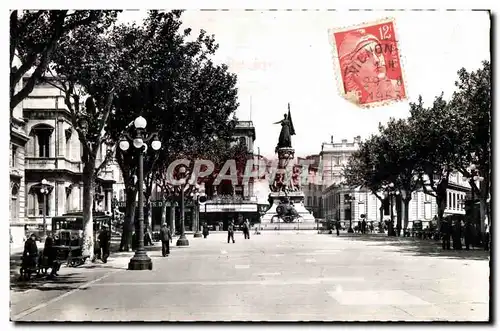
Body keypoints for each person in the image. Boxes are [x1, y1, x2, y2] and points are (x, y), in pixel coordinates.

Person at [338, 29, 404, 105]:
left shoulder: (400, 88)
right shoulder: (361, 105)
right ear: (353, 71)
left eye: (378, 51)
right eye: (366, 56)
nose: (377, 60)